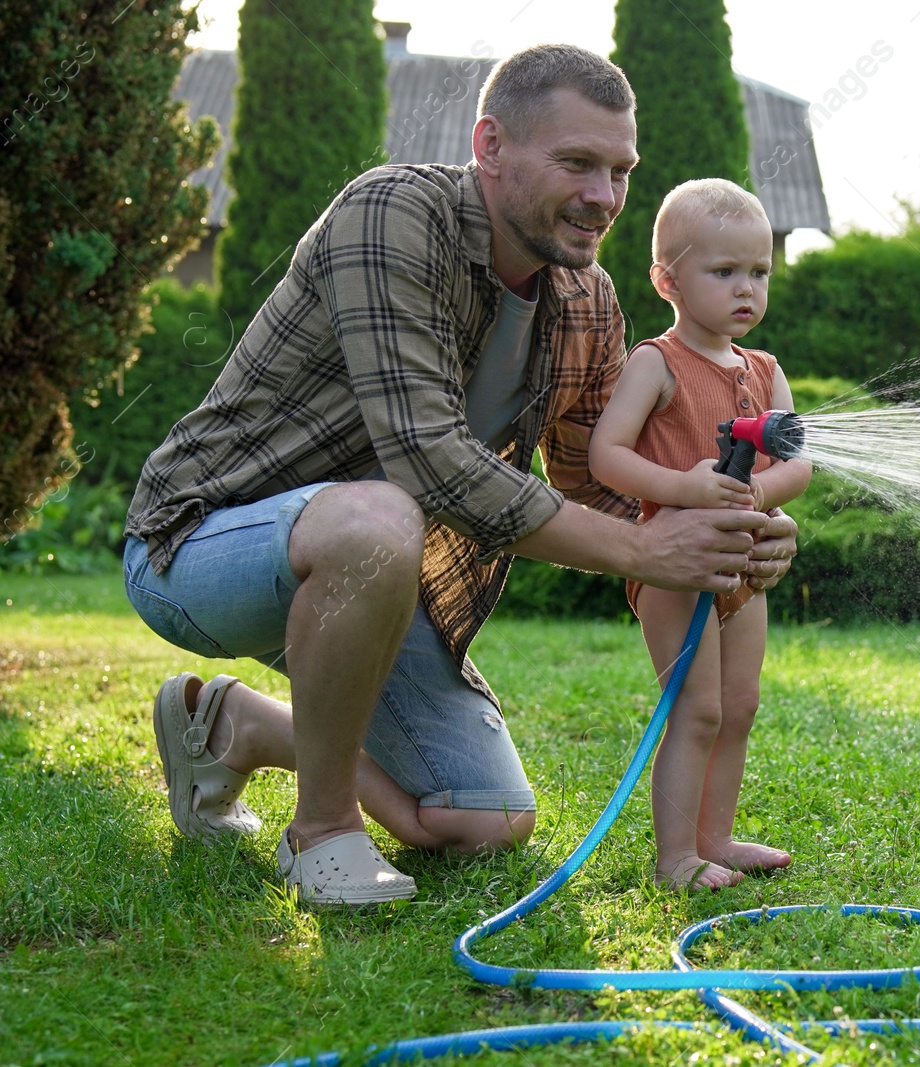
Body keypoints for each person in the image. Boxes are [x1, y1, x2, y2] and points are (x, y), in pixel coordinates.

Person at [120, 46, 799, 907]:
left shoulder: (587, 302)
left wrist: (725, 533)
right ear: (490, 144)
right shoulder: (394, 215)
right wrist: (646, 549)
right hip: (203, 545)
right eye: (577, 162)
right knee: (379, 515)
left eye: (621, 170)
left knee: (484, 817)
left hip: (374, 580)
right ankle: (322, 833)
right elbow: (431, 459)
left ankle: (235, 725)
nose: (605, 195)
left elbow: (604, 495)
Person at [590, 179, 812, 889]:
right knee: (698, 706)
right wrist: (686, 486)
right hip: (675, 565)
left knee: (739, 706)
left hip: (742, 565)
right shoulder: (656, 362)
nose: (746, 289)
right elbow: (608, 456)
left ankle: (715, 838)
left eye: (759, 273)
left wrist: (761, 493)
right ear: (667, 280)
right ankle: (675, 856)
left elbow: (797, 463)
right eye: (724, 272)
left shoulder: (765, 371)